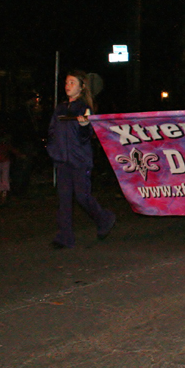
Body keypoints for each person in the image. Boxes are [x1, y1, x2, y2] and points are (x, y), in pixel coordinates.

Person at [47, 70, 115, 248]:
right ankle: (65, 237)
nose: (68, 86)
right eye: (66, 83)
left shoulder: (84, 107)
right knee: (63, 200)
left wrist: (85, 126)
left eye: (72, 83)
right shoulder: (60, 108)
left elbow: (87, 136)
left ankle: (104, 218)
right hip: (62, 160)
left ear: (81, 86)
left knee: (82, 196)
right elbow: (52, 130)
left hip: (79, 160)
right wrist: (53, 149)